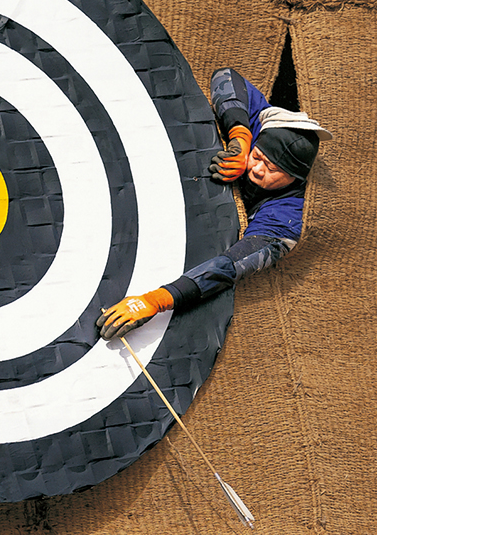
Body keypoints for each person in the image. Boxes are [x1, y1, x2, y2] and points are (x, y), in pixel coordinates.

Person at [97, 67, 332, 340]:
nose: (257, 169)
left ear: (294, 178)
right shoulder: (266, 126)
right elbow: (226, 76)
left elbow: (231, 265)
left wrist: (157, 300)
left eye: (272, 169)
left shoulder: (285, 217)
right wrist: (240, 137)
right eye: (257, 157)